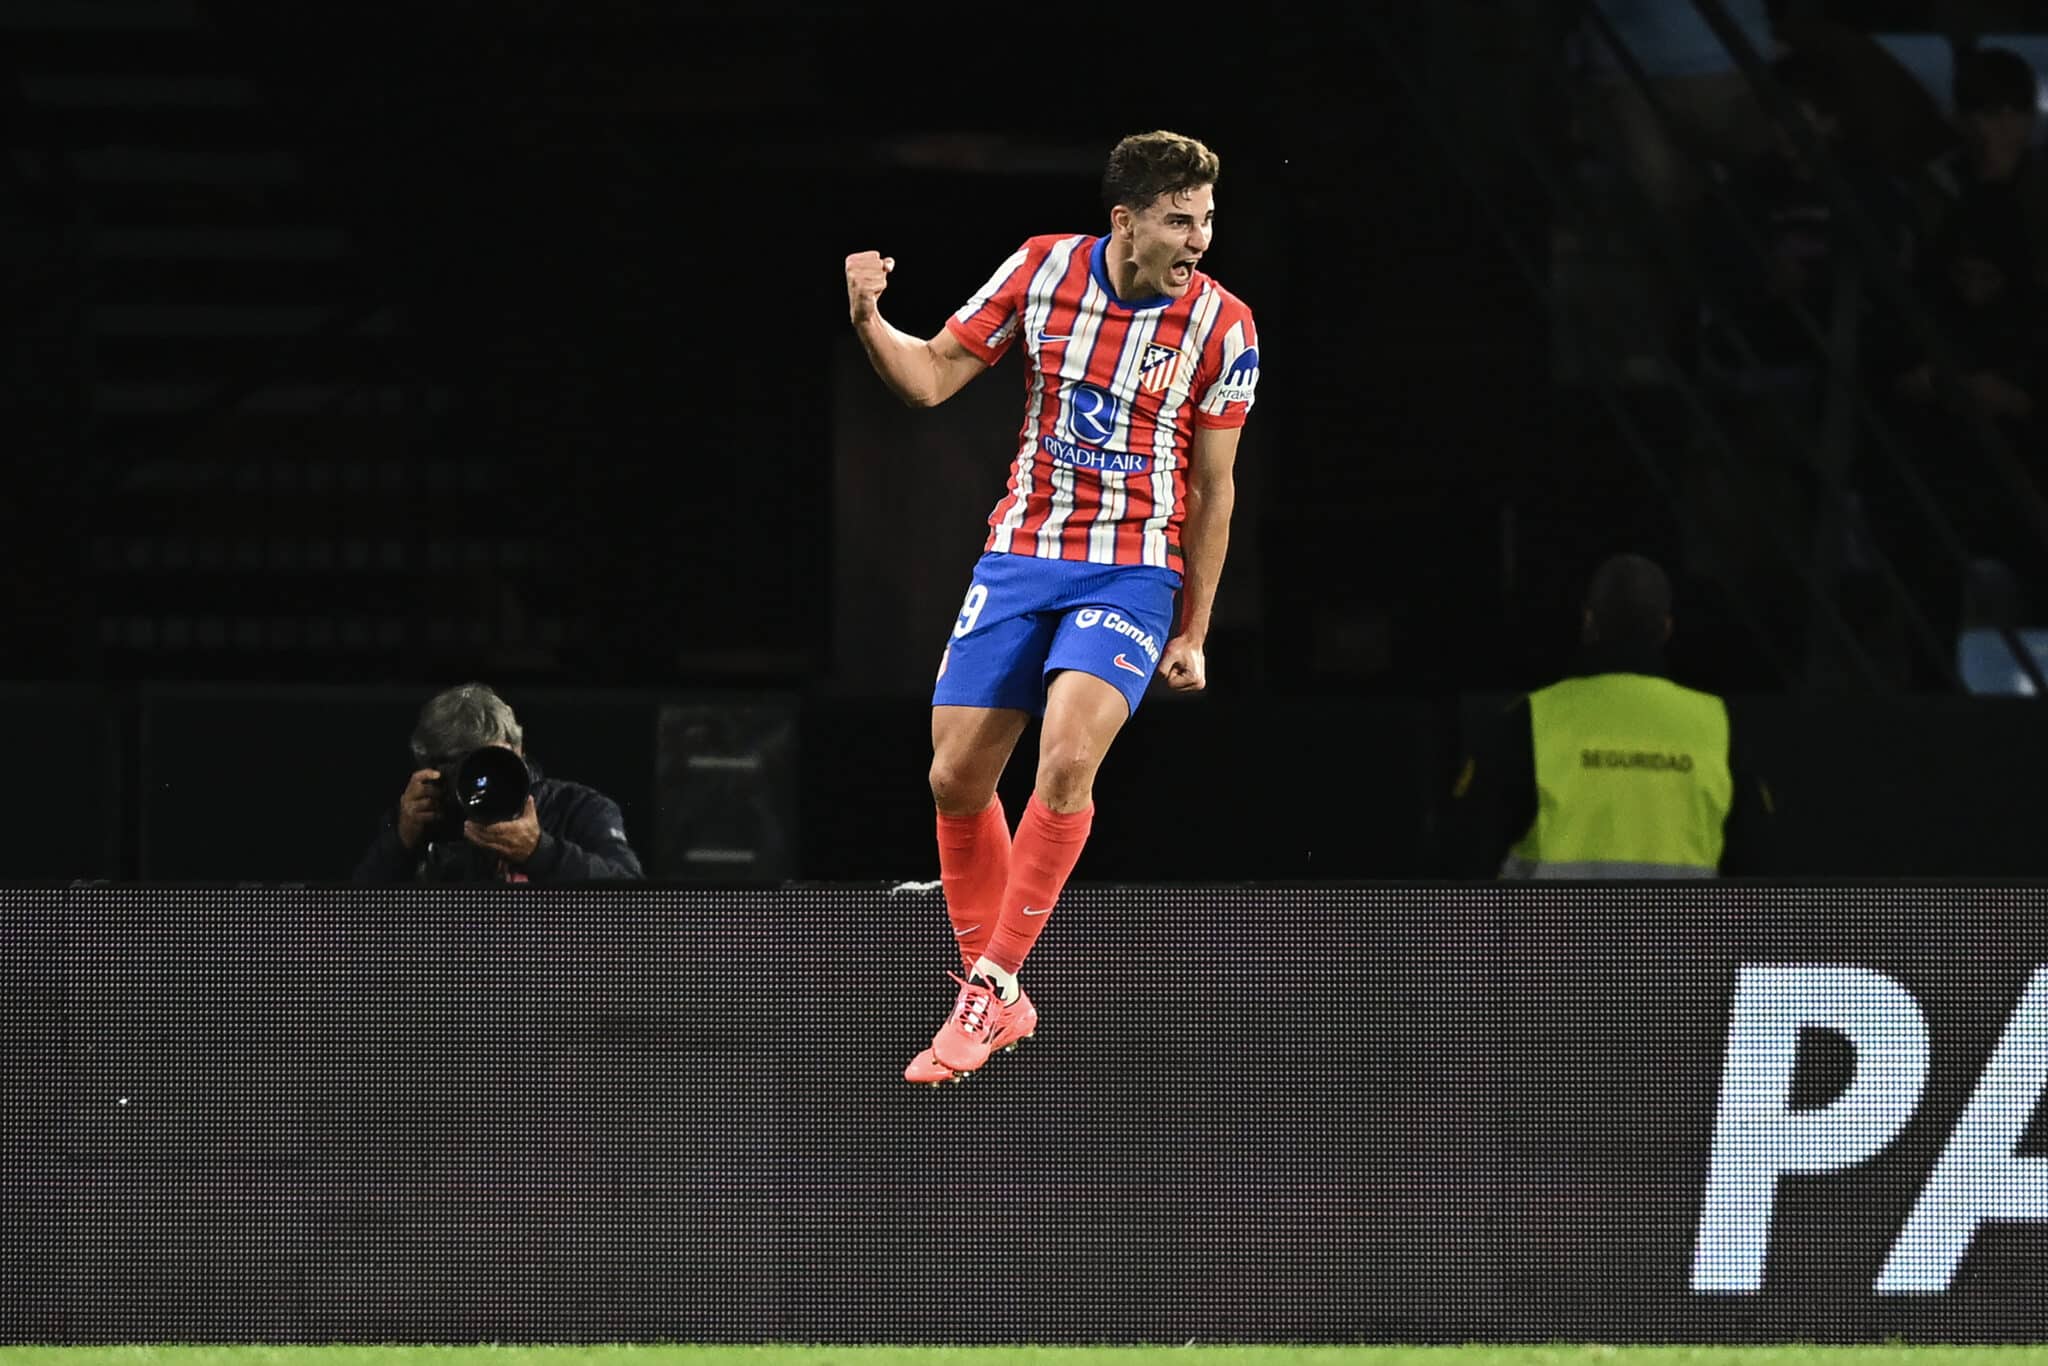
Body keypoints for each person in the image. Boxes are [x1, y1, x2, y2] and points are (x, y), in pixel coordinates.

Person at [843, 129, 1259, 1085]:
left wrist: (1195, 626)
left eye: (1206, 221)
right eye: (1179, 220)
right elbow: (932, 376)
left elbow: (1215, 485)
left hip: (1133, 571)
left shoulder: (1226, 327)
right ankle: (999, 992)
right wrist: (871, 320)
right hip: (1023, 555)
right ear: (1126, 221)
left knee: (1067, 755)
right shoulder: (1041, 269)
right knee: (955, 781)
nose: (1199, 239)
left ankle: (989, 985)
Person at [1445, 554, 1772, 878]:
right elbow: (1762, 868)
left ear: (1588, 621)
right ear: (1666, 629)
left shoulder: (1529, 720)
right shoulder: (1718, 725)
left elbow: (1462, 857)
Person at [350, 681, 644, 884]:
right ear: (432, 770)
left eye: (492, 761)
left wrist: (540, 852)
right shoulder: (424, 819)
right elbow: (354, 920)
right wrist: (400, 844)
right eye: (465, 768)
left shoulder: (575, 809)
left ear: (518, 751)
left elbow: (635, 900)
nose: (483, 781)